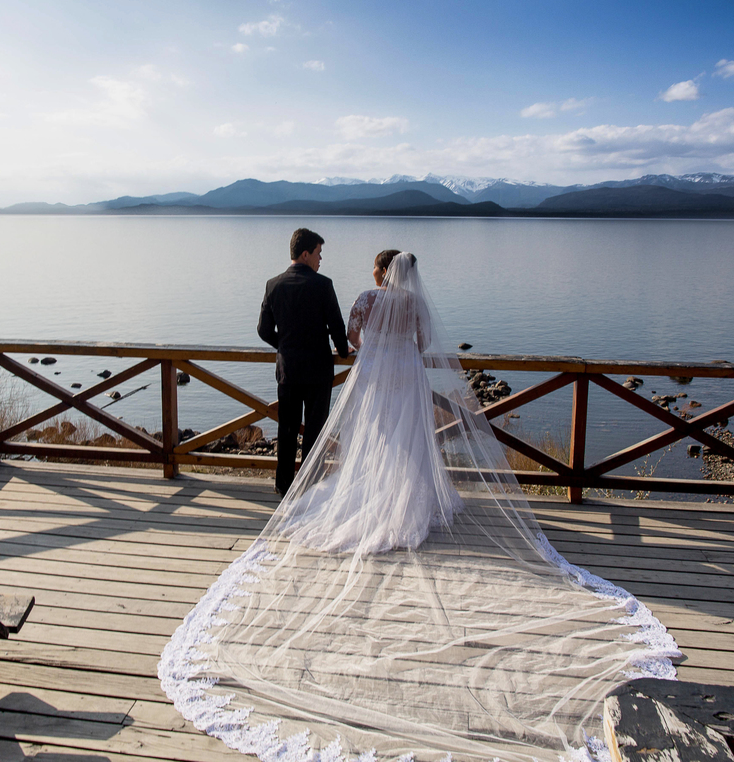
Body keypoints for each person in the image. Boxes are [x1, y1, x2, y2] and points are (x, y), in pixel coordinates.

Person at [162, 252, 680, 762]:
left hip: (374, 378)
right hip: (407, 377)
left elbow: (355, 340)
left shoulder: (365, 299)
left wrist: (370, 347)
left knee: (377, 439)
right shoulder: (415, 307)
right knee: (412, 440)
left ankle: (375, 496)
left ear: (379, 274)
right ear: (410, 276)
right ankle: (410, 499)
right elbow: (423, 343)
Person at [257, 228, 349, 496]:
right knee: (315, 431)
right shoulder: (323, 285)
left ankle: (283, 486)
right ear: (306, 254)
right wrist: (343, 351)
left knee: (286, 429)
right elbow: (337, 328)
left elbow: (263, 330)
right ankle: (309, 487)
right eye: (319, 253)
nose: (321, 260)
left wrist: (284, 345)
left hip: (288, 371)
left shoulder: (273, 285)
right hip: (319, 371)